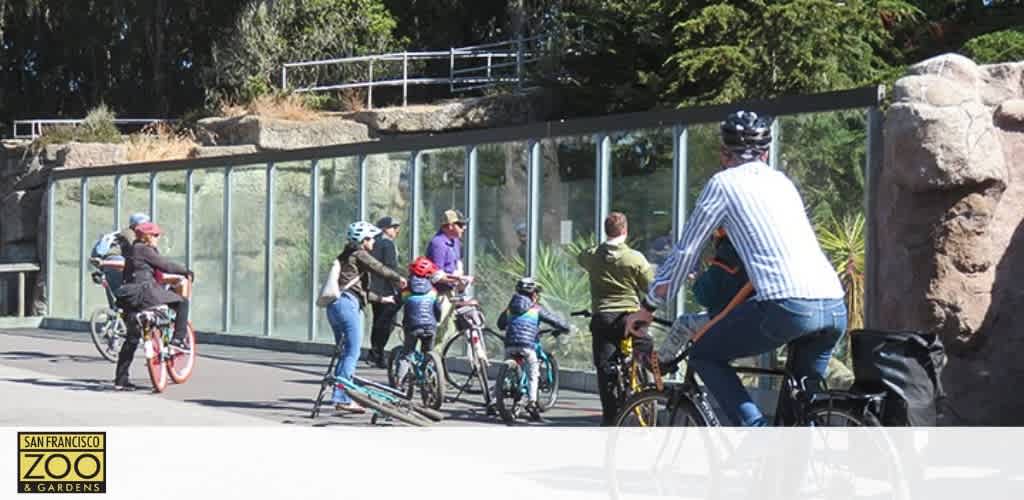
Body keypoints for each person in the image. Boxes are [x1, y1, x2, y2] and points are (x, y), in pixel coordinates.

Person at [626, 111, 847, 427]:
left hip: (787, 304)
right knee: (798, 411)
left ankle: (757, 436)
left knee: (704, 354)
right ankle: (794, 468)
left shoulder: (723, 183)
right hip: (834, 304)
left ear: (723, 154)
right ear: (765, 153)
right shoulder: (782, 182)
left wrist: (648, 306)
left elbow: (687, 251)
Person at [577, 212, 655, 425]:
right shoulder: (635, 258)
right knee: (646, 348)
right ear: (625, 230)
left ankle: (610, 419)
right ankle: (651, 383)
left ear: (606, 230)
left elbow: (581, 257)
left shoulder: (592, 255)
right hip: (630, 316)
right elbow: (650, 286)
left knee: (605, 369)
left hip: (603, 317)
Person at [326, 221, 406, 413]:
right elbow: (379, 268)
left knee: (345, 353)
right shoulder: (359, 254)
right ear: (363, 240)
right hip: (347, 306)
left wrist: (382, 298)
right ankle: (342, 399)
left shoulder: (345, 257)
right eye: (371, 238)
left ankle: (341, 397)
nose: (374, 242)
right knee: (352, 353)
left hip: (335, 306)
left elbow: (356, 290)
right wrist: (399, 278)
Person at [112, 221, 193, 391]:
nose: (158, 238)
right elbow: (165, 265)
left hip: (128, 296)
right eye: (155, 235)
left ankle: (121, 379)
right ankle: (178, 340)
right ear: (146, 236)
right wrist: (185, 271)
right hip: (144, 292)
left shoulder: (132, 251)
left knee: (132, 337)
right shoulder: (143, 249)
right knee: (182, 303)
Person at [495, 277, 571, 422]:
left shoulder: (510, 308)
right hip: (527, 345)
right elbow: (554, 320)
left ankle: (495, 399)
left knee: (507, 369)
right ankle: (532, 403)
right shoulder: (536, 308)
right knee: (533, 373)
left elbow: (500, 324)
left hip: (510, 344)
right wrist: (565, 328)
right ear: (534, 294)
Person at [393, 256, 445, 384]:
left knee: (407, 353)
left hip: (412, 326)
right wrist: (437, 320)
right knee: (428, 352)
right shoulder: (433, 291)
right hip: (430, 326)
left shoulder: (406, 291)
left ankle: (399, 380)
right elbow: (437, 308)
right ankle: (430, 377)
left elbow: (397, 302)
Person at [425, 209, 471, 343]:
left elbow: (458, 262)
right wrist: (457, 279)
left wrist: (460, 276)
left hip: (452, 290)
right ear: (450, 225)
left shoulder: (455, 241)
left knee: (450, 330)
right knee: (440, 328)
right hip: (440, 293)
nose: (464, 228)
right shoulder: (438, 244)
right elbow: (436, 275)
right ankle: (431, 358)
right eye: (461, 225)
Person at [368, 216, 402, 368]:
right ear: (384, 229)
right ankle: (377, 353)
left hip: (375, 288)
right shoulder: (387, 243)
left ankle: (375, 352)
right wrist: (398, 283)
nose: (396, 230)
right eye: (393, 227)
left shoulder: (374, 243)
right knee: (387, 321)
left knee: (379, 321)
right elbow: (390, 267)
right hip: (386, 289)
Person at [90, 213, 150, 294]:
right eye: (145, 224)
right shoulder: (129, 233)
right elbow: (138, 250)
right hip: (113, 260)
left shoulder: (131, 233)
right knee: (121, 294)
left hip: (111, 262)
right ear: (137, 225)